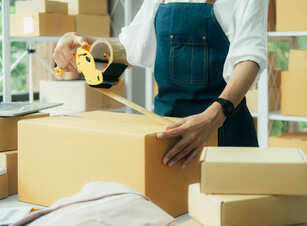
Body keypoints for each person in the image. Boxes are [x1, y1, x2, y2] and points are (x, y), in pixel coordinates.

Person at [53, 0, 268, 169]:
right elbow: (130, 50)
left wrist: (213, 118)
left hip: (224, 131)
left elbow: (249, 57)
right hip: (168, 137)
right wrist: (85, 45)